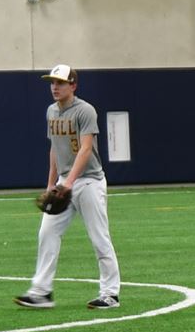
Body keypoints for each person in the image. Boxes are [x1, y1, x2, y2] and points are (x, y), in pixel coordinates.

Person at [16, 64, 121, 311]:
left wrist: (70, 182)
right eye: (52, 83)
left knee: (99, 238)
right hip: (65, 181)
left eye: (60, 83)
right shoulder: (51, 111)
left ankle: (110, 294)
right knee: (47, 233)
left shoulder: (85, 111)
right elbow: (54, 149)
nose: (54, 87)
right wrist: (52, 184)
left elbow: (85, 149)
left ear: (73, 85)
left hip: (89, 181)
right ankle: (42, 292)